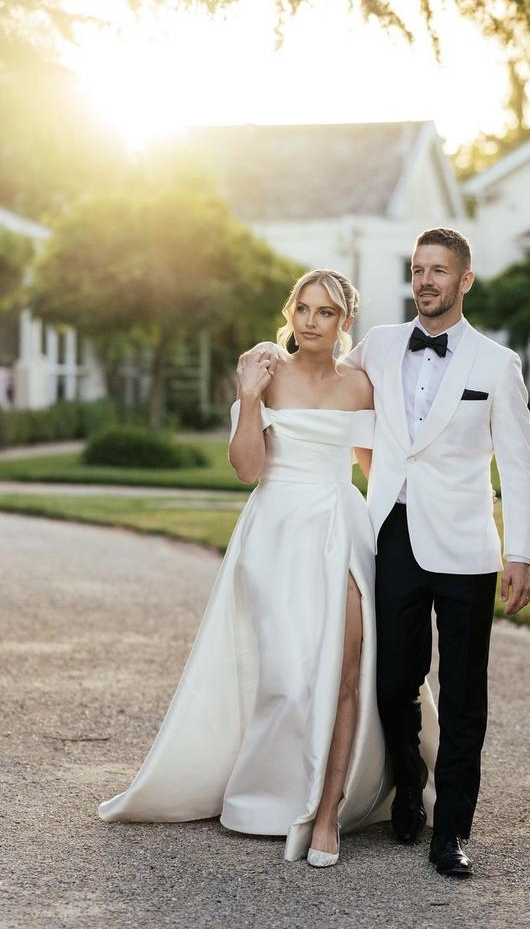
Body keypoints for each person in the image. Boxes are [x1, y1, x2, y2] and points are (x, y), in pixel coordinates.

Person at [97, 269, 438, 866]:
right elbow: (246, 469)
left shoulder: (361, 386)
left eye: (325, 312)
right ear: (291, 313)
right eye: (303, 308)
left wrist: (440, 500)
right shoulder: (264, 371)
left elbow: (373, 467)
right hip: (275, 531)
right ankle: (271, 795)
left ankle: (327, 812)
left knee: (346, 667)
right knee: (283, 674)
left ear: (344, 322)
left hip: (340, 526)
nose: (311, 321)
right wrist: (249, 397)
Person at [249, 227, 530, 878]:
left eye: (440, 271)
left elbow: (517, 468)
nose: (427, 280)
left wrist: (521, 551)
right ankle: (408, 788)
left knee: (464, 695)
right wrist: (266, 354)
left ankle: (453, 832)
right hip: (392, 536)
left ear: (464, 280)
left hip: (467, 546)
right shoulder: (377, 346)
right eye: (418, 270)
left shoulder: (497, 364)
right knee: (391, 682)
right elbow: (311, 375)